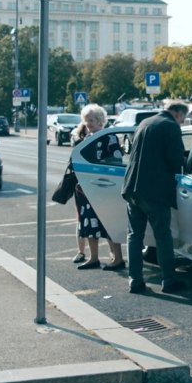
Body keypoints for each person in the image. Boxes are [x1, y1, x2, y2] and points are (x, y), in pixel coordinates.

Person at [121, 102, 189, 294]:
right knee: (163, 235)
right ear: (177, 114)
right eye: (182, 119)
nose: (182, 123)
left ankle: (135, 280)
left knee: (134, 236)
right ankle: (168, 280)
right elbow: (176, 159)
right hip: (155, 190)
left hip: (132, 187)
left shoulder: (144, 122)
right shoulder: (170, 126)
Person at [72, 104, 126, 271]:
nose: (89, 123)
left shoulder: (109, 137)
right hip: (87, 188)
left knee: (109, 222)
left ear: (101, 120)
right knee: (88, 223)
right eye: (86, 120)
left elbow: (116, 160)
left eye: (92, 120)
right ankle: (93, 258)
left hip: (105, 188)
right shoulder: (87, 139)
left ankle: (118, 258)